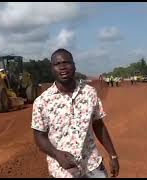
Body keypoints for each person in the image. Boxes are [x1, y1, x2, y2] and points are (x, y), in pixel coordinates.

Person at [31, 48, 119, 178]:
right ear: (52, 69)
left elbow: (98, 125)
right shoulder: (42, 101)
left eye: (66, 62)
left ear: (74, 66)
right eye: (57, 64)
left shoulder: (89, 93)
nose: (62, 67)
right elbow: (39, 136)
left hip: (92, 165)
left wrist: (113, 155)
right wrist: (56, 154)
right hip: (62, 171)